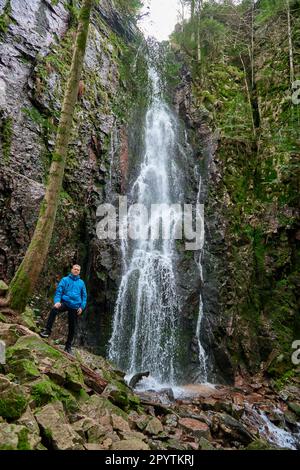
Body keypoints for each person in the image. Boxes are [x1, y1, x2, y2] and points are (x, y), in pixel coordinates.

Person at [40, 264, 87, 354]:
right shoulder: (65, 280)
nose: (76, 271)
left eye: (78, 270)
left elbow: (84, 296)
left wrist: (82, 307)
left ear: (79, 271)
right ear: (72, 270)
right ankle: (47, 331)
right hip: (65, 303)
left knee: (72, 327)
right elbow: (59, 291)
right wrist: (57, 301)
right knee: (54, 309)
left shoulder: (81, 283)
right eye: (75, 269)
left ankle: (68, 346)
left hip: (75, 306)